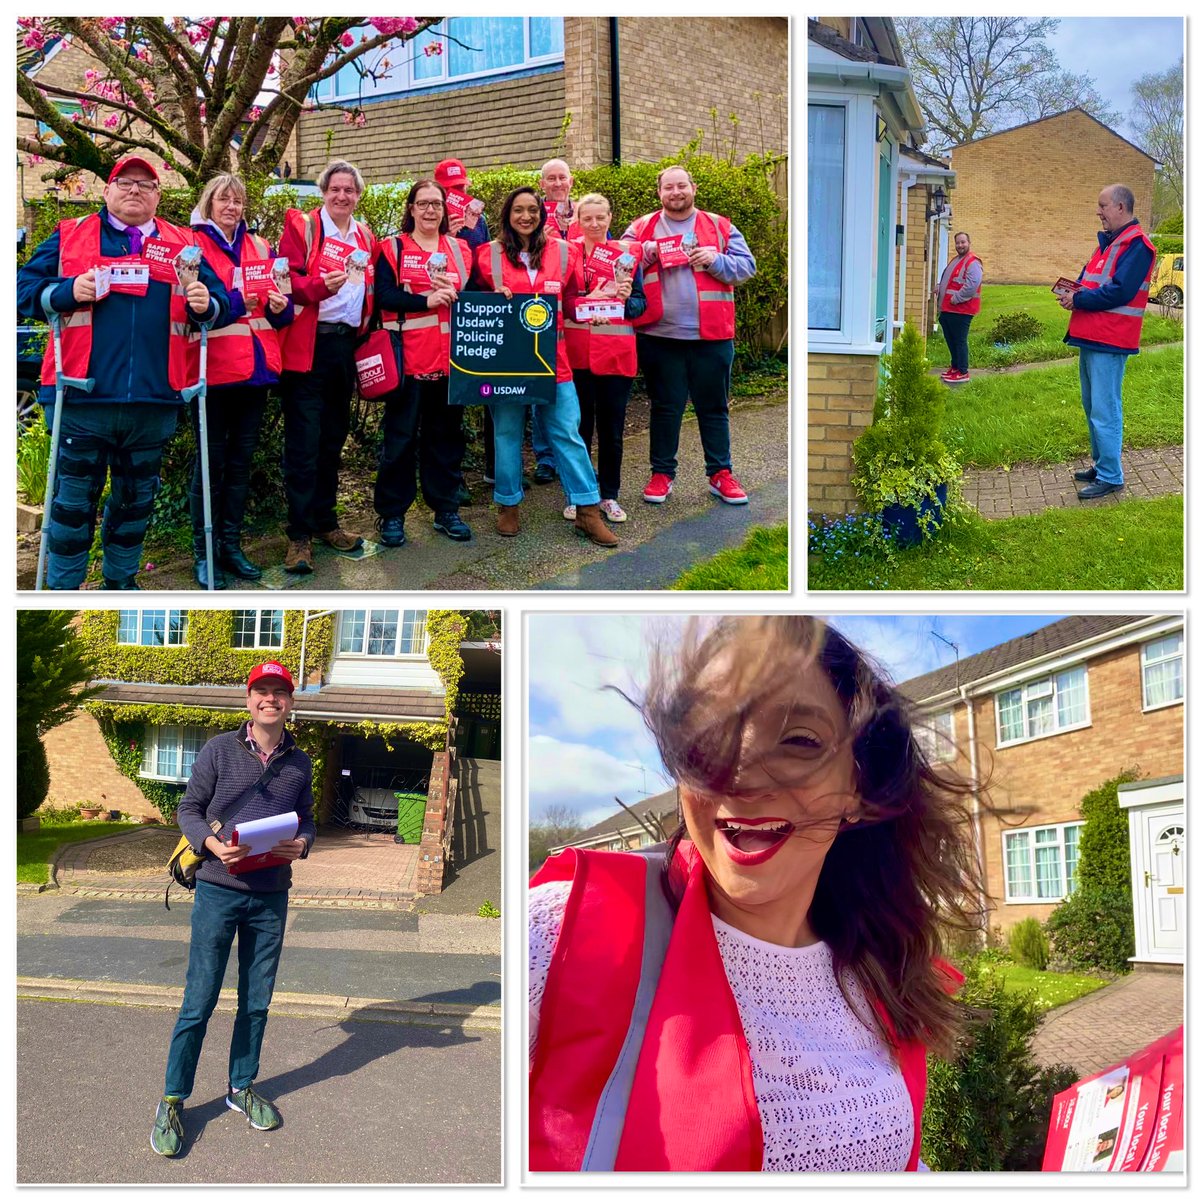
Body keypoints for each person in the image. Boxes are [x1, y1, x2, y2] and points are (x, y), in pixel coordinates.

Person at [530, 616, 981, 1172]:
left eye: (797, 740)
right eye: (708, 736)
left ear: (859, 789)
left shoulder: (882, 970)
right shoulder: (562, 934)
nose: (736, 774)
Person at [16, 155, 230, 590]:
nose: (135, 190)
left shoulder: (183, 244)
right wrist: (62, 292)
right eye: (125, 182)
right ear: (107, 191)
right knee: (72, 507)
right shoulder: (70, 235)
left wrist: (209, 305)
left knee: (135, 505)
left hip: (155, 399)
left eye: (146, 185)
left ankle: (121, 583)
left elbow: (221, 304)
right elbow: (20, 291)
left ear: (158, 196)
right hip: (81, 398)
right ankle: (62, 591)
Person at [151, 661, 316, 1158]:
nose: (271, 699)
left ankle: (240, 1086)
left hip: (271, 895)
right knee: (199, 1000)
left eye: (280, 692)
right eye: (262, 691)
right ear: (248, 700)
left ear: (289, 702)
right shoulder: (220, 749)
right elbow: (189, 810)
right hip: (218, 890)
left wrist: (302, 843)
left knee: (257, 1000)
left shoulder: (300, 762)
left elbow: (306, 816)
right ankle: (173, 1099)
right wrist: (211, 845)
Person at [471, 186, 618, 548]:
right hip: (506, 363)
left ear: (542, 214)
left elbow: (568, 303)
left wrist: (590, 305)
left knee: (567, 432)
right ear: (507, 215)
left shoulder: (564, 253)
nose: (526, 217)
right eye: (518, 210)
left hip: (554, 359)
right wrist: (491, 299)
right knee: (506, 433)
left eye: (532, 210)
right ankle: (508, 504)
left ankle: (587, 509)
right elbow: (471, 305)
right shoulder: (486, 255)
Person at [624, 166, 757, 506]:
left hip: (711, 336)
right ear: (659, 193)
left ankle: (720, 474)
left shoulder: (718, 226)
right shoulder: (642, 228)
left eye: (681, 185)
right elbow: (617, 263)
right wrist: (646, 252)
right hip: (659, 334)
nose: (675, 192)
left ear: (693, 188)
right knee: (665, 408)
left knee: (713, 408)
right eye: (668, 187)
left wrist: (716, 260)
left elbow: (747, 267)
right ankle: (662, 474)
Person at [190, 173, 294, 587]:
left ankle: (231, 546)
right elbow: (196, 307)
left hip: (256, 371)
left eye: (238, 200)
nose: (232, 207)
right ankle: (204, 552)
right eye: (223, 200)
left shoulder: (261, 246)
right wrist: (239, 300)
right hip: (213, 371)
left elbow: (280, 316)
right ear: (209, 203)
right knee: (208, 467)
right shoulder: (192, 245)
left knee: (239, 466)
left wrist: (280, 304)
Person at [276, 159, 376, 573]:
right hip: (307, 347)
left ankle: (325, 522)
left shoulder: (365, 233)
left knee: (333, 439)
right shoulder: (304, 227)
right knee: (303, 443)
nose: (341, 196)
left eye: (349, 190)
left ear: (357, 195)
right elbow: (282, 281)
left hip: (344, 348)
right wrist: (319, 286)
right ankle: (298, 535)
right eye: (335, 189)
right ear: (323, 192)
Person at [373, 179, 473, 545]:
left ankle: (445, 508)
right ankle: (391, 515)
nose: (430, 210)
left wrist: (500, 294)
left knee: (445, 439)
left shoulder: (461, 249)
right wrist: (423, 301)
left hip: (451, 362)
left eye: (436, 204)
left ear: (446, 209)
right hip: (408, 359)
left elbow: (473, 292)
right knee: (399, 440)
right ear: (411, 208)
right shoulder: (393, 248)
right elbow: (382, 295)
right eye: (423, 204)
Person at [1059, 184, 1156, 500]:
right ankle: (1102, 466)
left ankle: (1112, 476)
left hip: (1111, 340)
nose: (1098, 212)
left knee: (1105, 409)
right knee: (1092, 406)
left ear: (1121, 207)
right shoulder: (1108, 244)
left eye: (1102, 206)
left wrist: (1080, 299)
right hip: (1092, 335)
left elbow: (1120, 291)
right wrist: (1073, 295)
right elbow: (1090, 283)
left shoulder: (1137, 246)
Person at [562, 193, 647, 525]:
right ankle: (578, 496)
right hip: (578, 354)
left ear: (611, 218)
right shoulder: (569, 255)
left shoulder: (627, 255)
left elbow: (641, 305)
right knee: (579, 429)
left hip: (615, 355)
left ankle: (609, 495)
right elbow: (565, 300)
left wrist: (626, 300)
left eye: (600, 217)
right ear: (578, 221)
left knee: (612, 431)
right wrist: (587, 302)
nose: (594, 224)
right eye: (587, 219)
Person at [529, 158, 582, 484]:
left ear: (571, 181)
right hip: (543, 322)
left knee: (570, 395)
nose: (558, 183)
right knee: (542, 387)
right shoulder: (534, 217)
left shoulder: (586, 213)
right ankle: (545, 458)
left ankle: (568, 453)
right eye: (551, 178)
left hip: (580, 321)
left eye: (562, 177)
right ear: (542, 183)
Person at [936, 232, 982, 384]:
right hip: (948, 309)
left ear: (969, 243)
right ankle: (955, 367)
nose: (960, 245)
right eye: (957, 243)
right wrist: (940, 287)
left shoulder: (972, 262)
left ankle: (963, 371)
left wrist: (956, 298)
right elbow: (951, 280)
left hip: (961, 309)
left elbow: (972, 285)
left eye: (963, 242)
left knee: (959, 341)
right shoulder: (957, 260)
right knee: (951, 340)